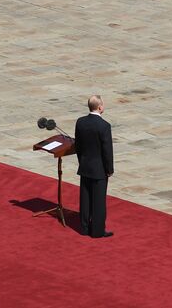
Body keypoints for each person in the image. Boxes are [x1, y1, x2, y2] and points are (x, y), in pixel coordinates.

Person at [73, 95, 114, 238]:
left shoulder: (80, 122)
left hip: (85, 166)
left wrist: (81, 161)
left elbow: (78, 146)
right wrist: (109, 169)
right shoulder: (104, 126)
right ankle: (97, 231)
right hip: (99, 169)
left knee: (85, 199)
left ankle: (84, 228)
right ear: (100, 107)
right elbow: (107, 151)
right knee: (98, 201)